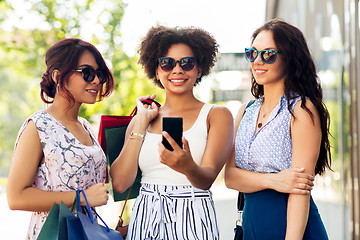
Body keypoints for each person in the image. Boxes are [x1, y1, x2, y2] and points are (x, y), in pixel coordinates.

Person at [110, 25, 233, 240]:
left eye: (187, 63)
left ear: (199, 69)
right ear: (156, 70)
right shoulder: (142, 118)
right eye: (166, 63)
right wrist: (140, 123)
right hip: (146, 218)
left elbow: (206, 180)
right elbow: (120, 183)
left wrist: (187, 166)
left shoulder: (217, 115)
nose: (177, 70)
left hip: (193, 216)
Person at [224, 18, 331, 239]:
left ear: (290, 59)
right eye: (252, 53)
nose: (257, 61)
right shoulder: (245, 111)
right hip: (253, 223)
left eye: (268, 54)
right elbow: (230, 177)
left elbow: (299, 189)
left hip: (290, 224)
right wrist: (274, 180)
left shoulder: (301, 109)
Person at [6, 38, 115, 240]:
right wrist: (81, 198)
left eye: (99, 73)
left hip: (88, 234)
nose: (97, 81)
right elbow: (16, 197)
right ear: (58, 76)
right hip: (55, 235)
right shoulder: (38, 126)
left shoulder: (85, 126)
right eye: (87, 73)